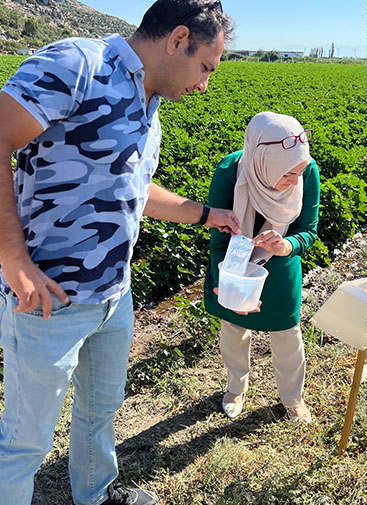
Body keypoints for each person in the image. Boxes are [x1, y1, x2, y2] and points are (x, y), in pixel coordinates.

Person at [0, 2, 237, 504]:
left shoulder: (148, 102)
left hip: (113, 295)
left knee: (99, 411)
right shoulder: (77, 65)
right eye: (206, 68)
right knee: (25, 440)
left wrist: (204, 213)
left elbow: (131, 186)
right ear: (177, 40)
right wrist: (13, 259)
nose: (204, 84)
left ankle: (95, 495)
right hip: (48, 303)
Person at [203, 111, 320, 423]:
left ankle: (293, 399)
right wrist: (223, 280)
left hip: (280, 269)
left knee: (287, 336)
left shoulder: (307, 172)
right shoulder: (231, 171)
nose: (295, 181)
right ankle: (236, 386)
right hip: (234, 265)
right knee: (233, 331)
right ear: (263, 161)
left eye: (299, 172)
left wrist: (286, 246)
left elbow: (308, 229)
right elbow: (217, 236)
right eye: (287, 174)